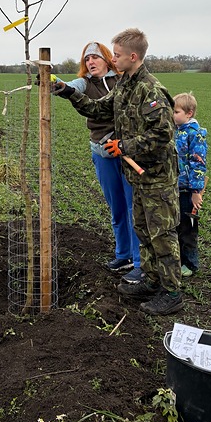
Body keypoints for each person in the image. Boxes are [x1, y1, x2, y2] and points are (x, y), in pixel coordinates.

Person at [53, 28, 183, 316]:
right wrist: (69, 92)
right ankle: (150, 280)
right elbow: (99, 110)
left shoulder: (151, 91)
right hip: (136, 176)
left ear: (133, 57)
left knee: (162, 234)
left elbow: (163, 134)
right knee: (144, 230)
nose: (114, 58)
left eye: (118, 54)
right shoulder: (125, 85)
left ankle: (171, 292)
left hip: (157, 177)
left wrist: (125, 145)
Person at [59, 42, 140, 280]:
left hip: (127, 153)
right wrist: (58, 86)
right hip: (102, 153)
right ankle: (123, 254)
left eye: (95, 57)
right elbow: (71, 87)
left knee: (132, 207)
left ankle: (138, 261)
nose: (90, 62)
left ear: (107, 59)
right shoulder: (86, 83)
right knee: (116, 208)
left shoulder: (123, 81)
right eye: (86, 59)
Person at [173, 92, 207, 277]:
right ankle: (179, 259)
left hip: (188, 190)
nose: (173, 115)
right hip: (176, 187)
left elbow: (198, 165)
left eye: (176, 111)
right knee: (177, 226)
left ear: (189, 113)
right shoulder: (179, 131)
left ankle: (191, 263)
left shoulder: (195, 135)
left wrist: (196, 191)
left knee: (188, 228)